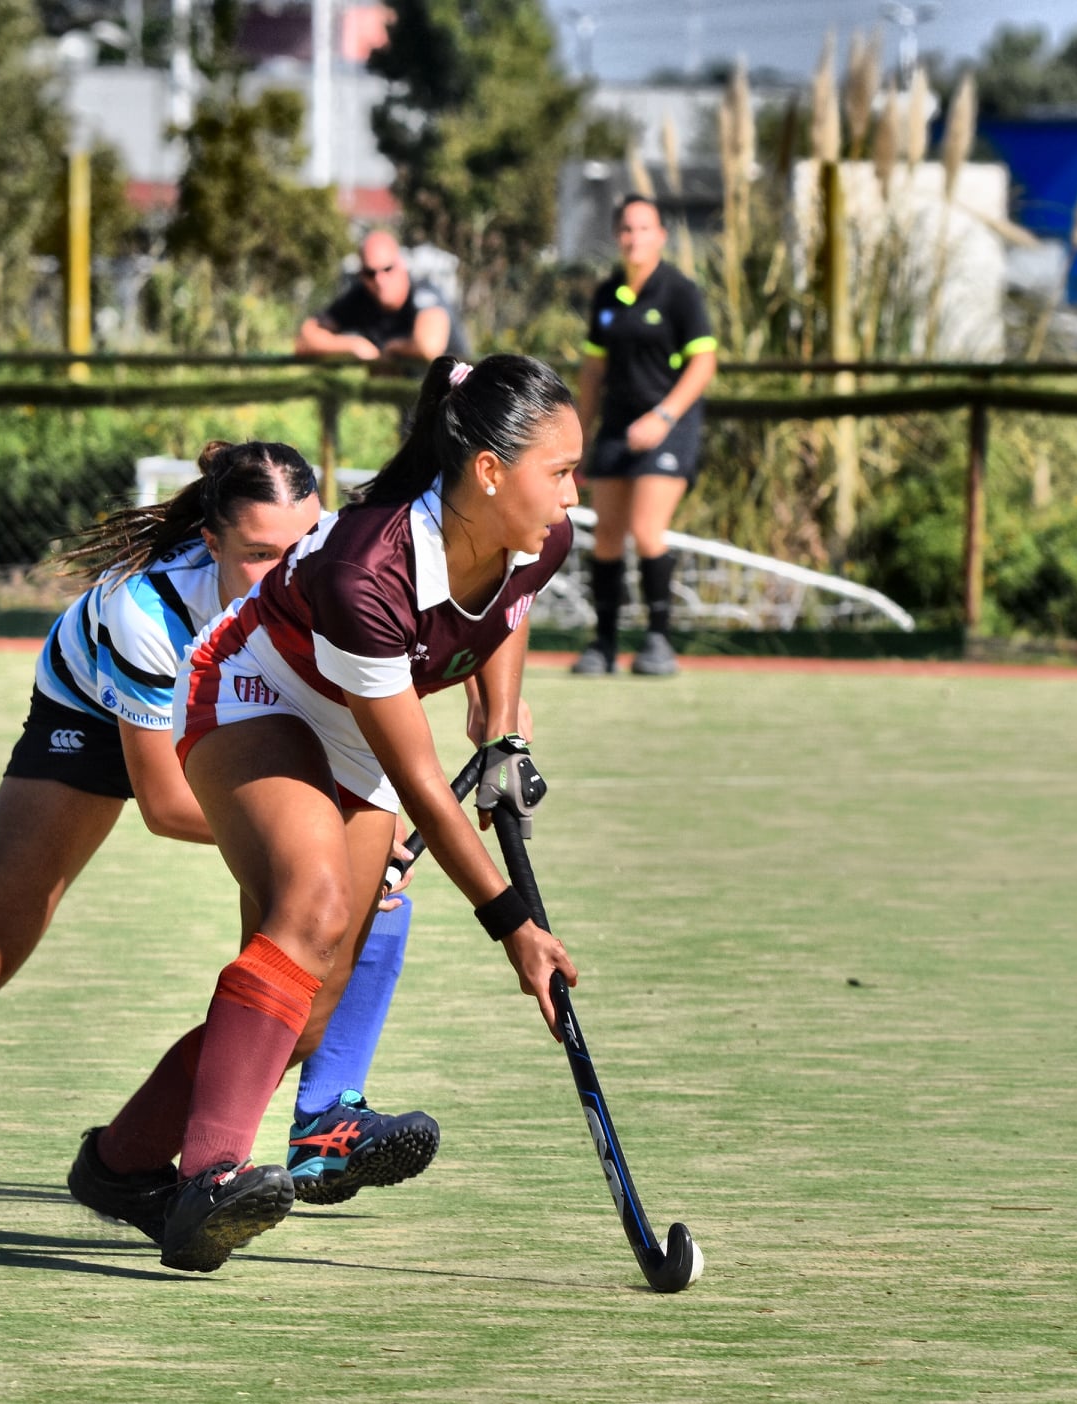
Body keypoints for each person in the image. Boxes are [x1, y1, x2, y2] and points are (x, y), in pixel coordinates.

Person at [0, 441, 440, 1208]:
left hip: (262, 719)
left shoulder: (332, 580)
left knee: (343, 909)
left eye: (298, 547)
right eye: (255, 554)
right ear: (210, 542)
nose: (281, 572)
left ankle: (323, 1122)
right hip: (102, 724)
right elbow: (168, 806)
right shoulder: (142, 610)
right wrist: (324, 840)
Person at [83, 353, 583, 1274]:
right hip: (251, 691)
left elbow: (510, 605)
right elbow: (424, 785)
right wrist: (512, 924)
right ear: (486, 471)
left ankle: (117, 1167)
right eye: (558, 471)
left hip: (353, 723)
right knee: (307, 912)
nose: (571, 493)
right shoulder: (369, 569)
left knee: (303, 1018)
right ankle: (210, 1180)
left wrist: (504, 728)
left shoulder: (536, 532)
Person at [570, 195, 717, 678]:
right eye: (627, 230)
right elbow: (593, 373)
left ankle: (658, 641)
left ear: (661, 236)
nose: (635, 238)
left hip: (669, 429)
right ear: (618, 237)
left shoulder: (679, 292)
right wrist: (578, 440)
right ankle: (604, 643)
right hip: (616, 428)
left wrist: (664, 417)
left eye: (645, 229)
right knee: (607, 534)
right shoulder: (608, 294)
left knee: (647, 529)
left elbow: (703, 362)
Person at [294, 230, 468, 363]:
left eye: (387, 269)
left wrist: (391, 349)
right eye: (370, 273)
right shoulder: (359, 297)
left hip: (459, 403)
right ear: (362, 274)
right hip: (408, 403)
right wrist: (354, 345)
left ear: (400, 264)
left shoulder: (424, 293)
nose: (379, 280)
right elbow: (305, 339)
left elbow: (429, 347)